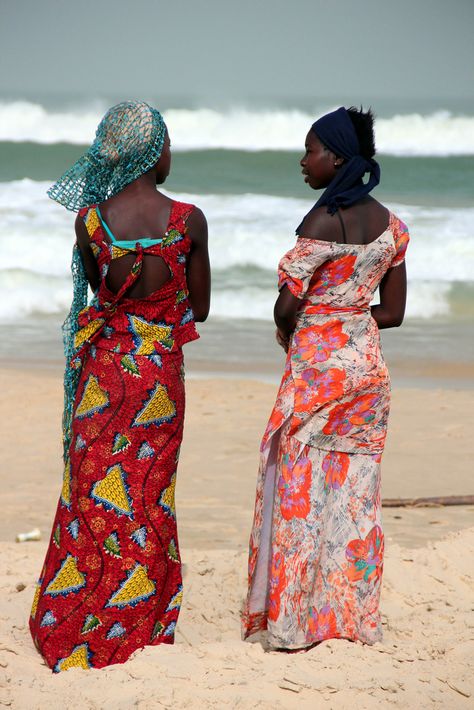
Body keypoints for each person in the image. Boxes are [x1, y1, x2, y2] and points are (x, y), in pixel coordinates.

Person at [29, 101, 210, 671]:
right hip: (157, 372)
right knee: (150, 494)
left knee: (93, 493)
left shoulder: (88, 221)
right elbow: (198, 307)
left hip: (103, 374)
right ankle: (140, 624)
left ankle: (79, 621)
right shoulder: (187, 219)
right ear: (154, 151)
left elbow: (96, 297)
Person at [242, 106, 409, 650]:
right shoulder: (392, 228)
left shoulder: (320, 223)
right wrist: (349, 321)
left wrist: (302, 332)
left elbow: (286, 308)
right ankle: (350, 620)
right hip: (367, 377)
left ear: (336, 157)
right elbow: (393, 312)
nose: (303, 160)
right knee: (355, 500)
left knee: (300, 498)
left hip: (317, 379)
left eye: (311, 149)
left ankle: (292, 626)